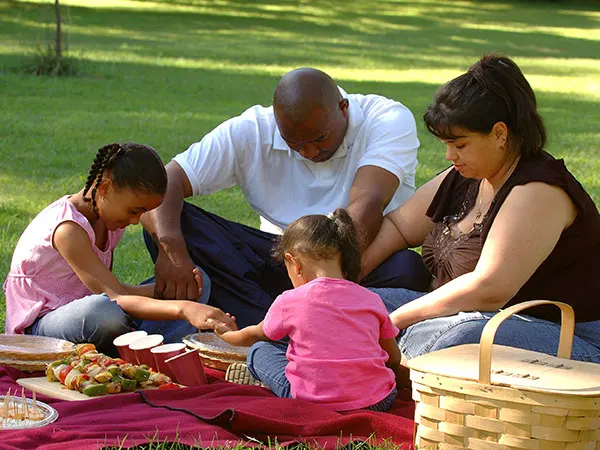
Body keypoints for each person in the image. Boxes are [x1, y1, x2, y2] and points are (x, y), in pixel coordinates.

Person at [141, 67, 431, 329]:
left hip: (352, 260)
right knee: (174, 221)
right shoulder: (253, 129)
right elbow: (166, 182)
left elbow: (367, 205)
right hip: (280, 257)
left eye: (319, 139)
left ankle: (274, 322)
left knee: (406, 269)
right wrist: (172, 250)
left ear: (343, 108)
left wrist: (325, 284)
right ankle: (279, 323)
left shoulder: (386, 118)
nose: (308, 152)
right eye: (294, 143)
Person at [361, 54, 600, 366]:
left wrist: (394, 321)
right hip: (473, 316)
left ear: (500, 134)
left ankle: (372, 365)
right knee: (356, 306)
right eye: (446, 145)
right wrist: (344, 282)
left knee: (451, 339)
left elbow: (490, 289)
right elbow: (399, 227)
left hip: (569, 336)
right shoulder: (467, 175)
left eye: (460, 145)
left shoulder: (539, 190)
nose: (449, 156)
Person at [3, 143, 235, 355]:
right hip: (42, 327)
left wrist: (169, 270)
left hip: (100, 307)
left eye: (142, 212)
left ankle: (149, 354)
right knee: (103, 312)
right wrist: (183, 308)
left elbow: (117, 291)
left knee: (191, 282)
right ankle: (141, 351)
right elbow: (115, 297)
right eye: (134, 211)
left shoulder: (108, 217)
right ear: (105, 188)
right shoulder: (68, 229)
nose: (135, 221)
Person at [211, 208, 402, 412]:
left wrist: (227, 334)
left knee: (260, 350)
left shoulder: (290, 300)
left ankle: (266, 380)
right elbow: (394, 358)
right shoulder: (371, 299)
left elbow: (254, 335)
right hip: (377, 401)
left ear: (294, 263)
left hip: (313, 402)